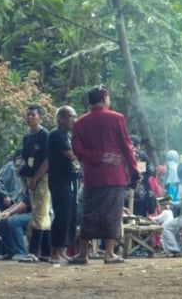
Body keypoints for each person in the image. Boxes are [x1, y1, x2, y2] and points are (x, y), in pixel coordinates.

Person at [70, 85, 140, 265]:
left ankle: (82, 254)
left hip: (92, 176)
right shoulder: (116, 118)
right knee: (113, 214)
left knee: (89, 213)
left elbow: (77, 150)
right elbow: (127, 147)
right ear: (105, 97)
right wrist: (134, 172)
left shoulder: (79, 123)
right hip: (114, 175)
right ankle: (108, 254)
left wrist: (98, 156)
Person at [18, 104, 51, 263]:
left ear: (40, 117)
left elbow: (48, 160)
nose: (29, 117)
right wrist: (26, 176)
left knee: (40, 212)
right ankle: (45, 251)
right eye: (28, 115)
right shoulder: (27, 138)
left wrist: (36, 178)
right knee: (40, 212)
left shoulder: (45, 135)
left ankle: (34, 251)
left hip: (43, 177)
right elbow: (26, 159)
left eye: (33, 115)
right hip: (30, 177)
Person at [47, 106, 80, 263]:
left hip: (70, 179)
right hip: (59, 179)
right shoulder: (56, 135)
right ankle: (55, 252)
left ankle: (64, 250)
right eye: (71, 117)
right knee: (62, 214)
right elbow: (70, 155)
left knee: (71, 215)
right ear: (60, 118)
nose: (74, 120)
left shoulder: (68, 136)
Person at [0, 190, 33, 260]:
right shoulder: (23, 187)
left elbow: (25, 204)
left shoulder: (32, 186)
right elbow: (17, 204)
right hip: (25, 214)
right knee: (1, 220)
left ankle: (21, 252)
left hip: (36, 214)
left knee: (14, 221)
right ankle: (11, 251)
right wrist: (3, 213)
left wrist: (10, 213)